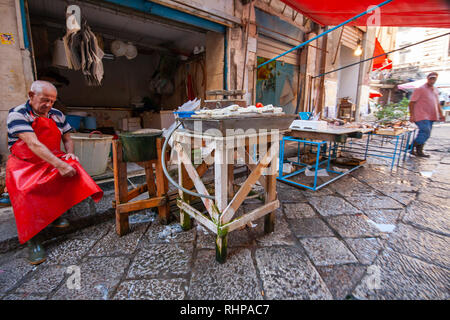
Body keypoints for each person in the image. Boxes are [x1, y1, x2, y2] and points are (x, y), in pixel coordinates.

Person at [6, 80, 103, 265]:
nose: (48, 105)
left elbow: (67, 138)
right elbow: (33, 144)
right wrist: (59, 164)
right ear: (31, 95)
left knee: (75, 169)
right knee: (25, 192)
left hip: (51, 157)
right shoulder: (17, 114)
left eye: (52, 101)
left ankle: (59, 213)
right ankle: (33, 241)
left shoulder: (57, 114)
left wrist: (70, 155)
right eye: (44, 100)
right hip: (23, 164)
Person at [408, 72, 445, 157]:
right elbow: (412, 103)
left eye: (434, 79)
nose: (432, 80)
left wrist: (441, 114)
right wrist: (412, 115)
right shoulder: (420, 89)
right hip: (421, 114)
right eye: (431, 78)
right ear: (427, 79)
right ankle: (411, 147)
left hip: (431, 115)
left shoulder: (435, 89)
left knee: (426, 133)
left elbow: (437, 103)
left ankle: (418, 150)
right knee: (425, 131)